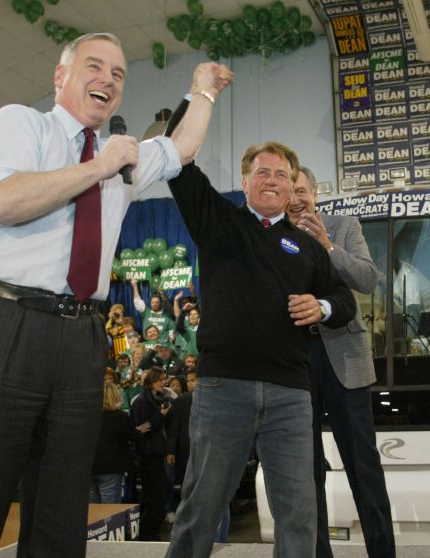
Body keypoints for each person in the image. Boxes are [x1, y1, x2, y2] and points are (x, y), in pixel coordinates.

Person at [0, 31, 232, 557]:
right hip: (1, 322)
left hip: (79, 337)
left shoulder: (120, 157)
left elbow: (181, 146)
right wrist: (100, 166)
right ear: (60, 76)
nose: (107, 79)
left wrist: (203, 91)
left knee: (61, 514)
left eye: (118, 73)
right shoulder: (22, 124)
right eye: (94, 66)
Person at [164, 141, 356, 558]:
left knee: (298, 513)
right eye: (263, 173)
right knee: (202, 507)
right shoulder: (218, 221)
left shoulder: (306, 245)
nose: (272, 181)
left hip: (290, 396)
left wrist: (320, 306)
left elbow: (345, 301)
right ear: (245, 180)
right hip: (222, 391)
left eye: (282, 175)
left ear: (292, 188)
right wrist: (202, 95)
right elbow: (180, 161)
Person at [287, 166, 395, 557]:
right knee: (304, 469)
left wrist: (328, 246)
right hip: (294, 362)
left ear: (316, 193)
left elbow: (368, 279)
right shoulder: (274, 235)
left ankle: (382, 551)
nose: (296, 199)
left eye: (302, 190)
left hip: (344, 357)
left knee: (363, 466)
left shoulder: (344, 225)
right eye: (290, 191)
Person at [131, 367, 174, 540]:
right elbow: (142, 428)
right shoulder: (142, 401)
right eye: (160, 380)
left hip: (155, 453)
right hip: (148, 454)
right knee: (155, 494)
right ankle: (148, 532)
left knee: (156, 493)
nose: (163, 383)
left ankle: (149, 531)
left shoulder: (152, 399)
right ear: (151, 382)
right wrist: (161, 415)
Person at [89, 383, 149, 504]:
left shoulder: (89, 417)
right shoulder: (120, 417)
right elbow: (132, 436)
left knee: (92, 508)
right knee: (109, 508)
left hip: (90, 466)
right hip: (111, 467)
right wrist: (139, 431)